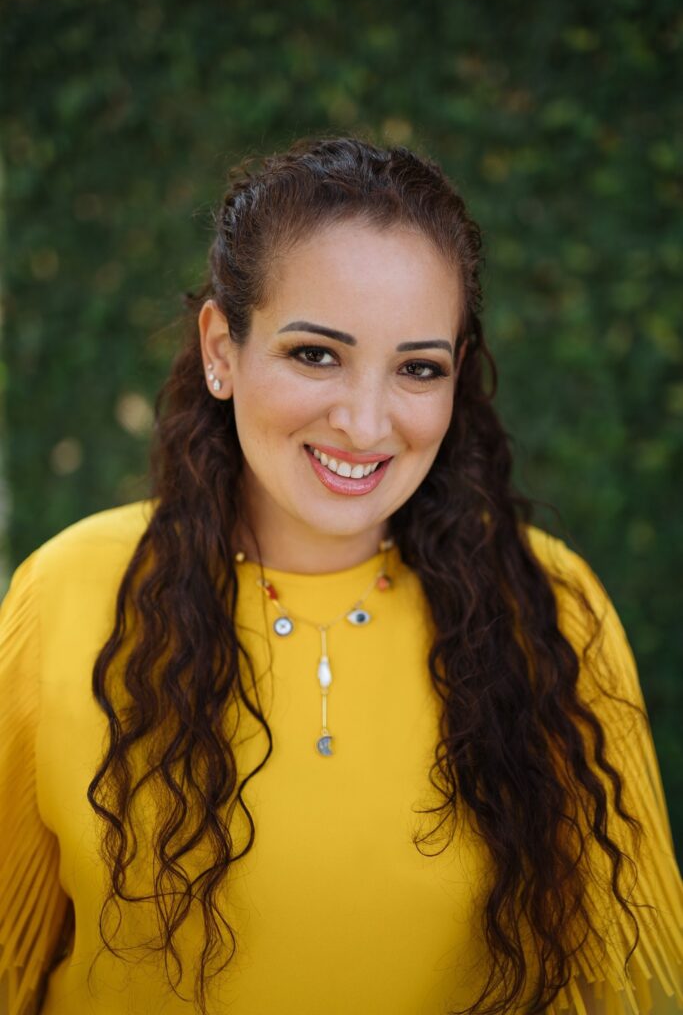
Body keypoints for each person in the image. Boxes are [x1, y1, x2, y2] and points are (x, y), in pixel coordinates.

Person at [0, 136, 681, 1015]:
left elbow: (630, 985)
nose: (364, 423)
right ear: (221, 348)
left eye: (417, 369)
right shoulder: (64, 594)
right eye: (316, 354)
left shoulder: (549, 609)